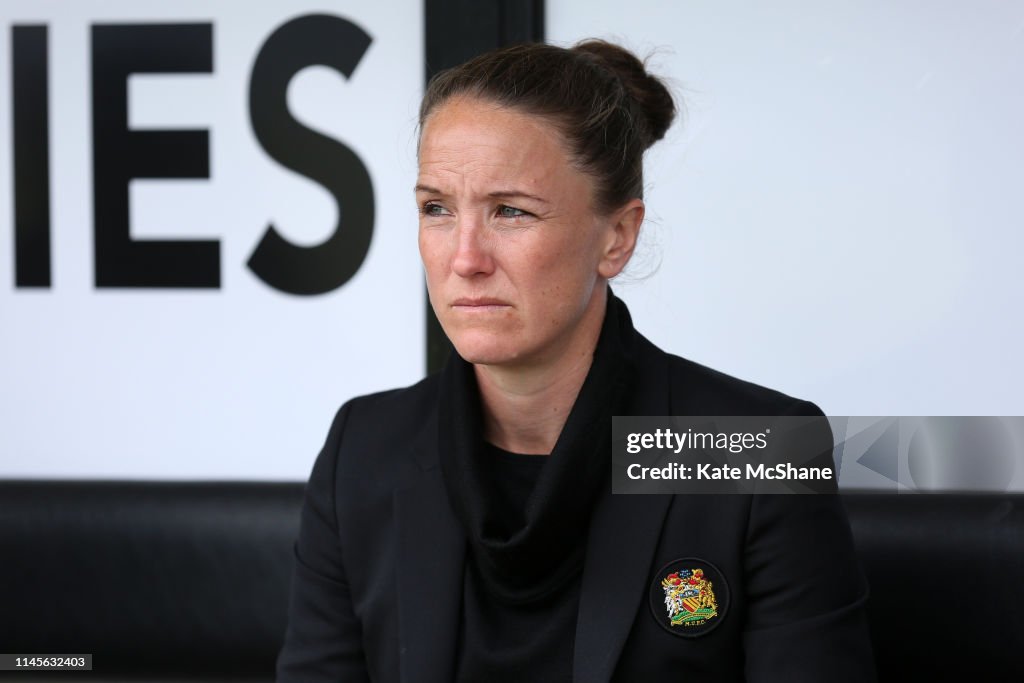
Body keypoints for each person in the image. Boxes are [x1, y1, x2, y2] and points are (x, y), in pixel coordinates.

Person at [276, 39, 877, 682]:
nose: (465, 257)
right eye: (437, 209)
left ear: (616, 238)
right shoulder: (365, 448)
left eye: (510, 212)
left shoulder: (748, 452)